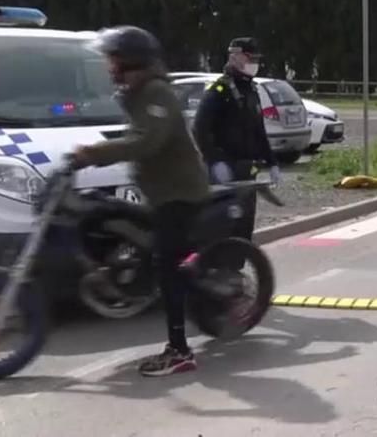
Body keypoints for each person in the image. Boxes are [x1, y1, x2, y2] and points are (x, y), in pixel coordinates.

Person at [70, 25, 210, 376]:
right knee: (99, 213)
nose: (108, 66)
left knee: (168, 265)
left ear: (130, 60)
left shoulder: (157, 92)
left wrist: (94, 153)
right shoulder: (136, 92)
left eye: (113, 59)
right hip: (158, 192)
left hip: (180, 192)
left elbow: (147, 141)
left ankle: (179, 351)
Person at [192, 37, 280, 248]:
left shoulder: (251, 90)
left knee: (244, 227)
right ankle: (215, 270)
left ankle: (237, 271)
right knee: (222, 227)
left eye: (256, 58)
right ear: (235, 57)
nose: (254, 63)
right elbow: (199, 129)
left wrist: (272, 161)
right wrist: (215, 161)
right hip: (224, 171)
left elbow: (259, 131)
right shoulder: (219, 91)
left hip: (247, 170)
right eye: (250, 58)